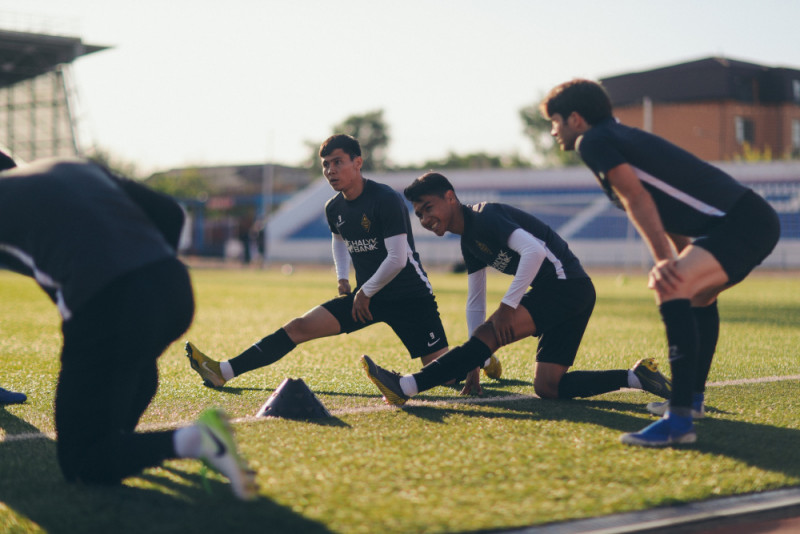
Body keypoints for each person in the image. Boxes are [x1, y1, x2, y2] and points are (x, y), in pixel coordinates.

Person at [539, 79, 780, 447]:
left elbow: (637, 197)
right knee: (698, 297)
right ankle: (692, 402)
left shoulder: (595, 141)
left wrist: (666, 262)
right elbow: (664, 206)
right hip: (750, 220)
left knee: (671, 284)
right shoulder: (614, 136)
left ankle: (679, 421)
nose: (553, 130)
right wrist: (679, 257)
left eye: (555, 121)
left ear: (575, 118)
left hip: (742, 223)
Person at [0, 156, 256, 499]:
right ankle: (126, 448)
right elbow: (170, 212)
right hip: (173, 289)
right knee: (125, 372)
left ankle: (196, 440)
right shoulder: (68, 165)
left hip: (109, 304)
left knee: (81, 463)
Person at [361, 172, 671, 406]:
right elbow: (475, 300)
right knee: (548, 387)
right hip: (571, 292)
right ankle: (636, 376)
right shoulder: (470, 239)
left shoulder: (485, 217)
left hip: (566, 286)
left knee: (493, 330)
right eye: (419, 215)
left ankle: (406, 387)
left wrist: (508, 306)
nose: (426, 219)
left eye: (429, 208)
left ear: (450, 197)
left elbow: (534, 252)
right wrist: (473, 362)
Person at [186, 134, 454, 388]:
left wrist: (365, 292)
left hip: (409, 297)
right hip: (366, 298)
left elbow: (397, 259)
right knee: (298, 327)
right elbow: (339, 241)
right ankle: (223, 371)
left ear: (357, 162)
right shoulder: (333, 207)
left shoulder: (385, 199)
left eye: (338, 162)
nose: (330, 170)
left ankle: (481, 359)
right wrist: (343, 278)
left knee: (447, 376)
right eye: (326, 165)